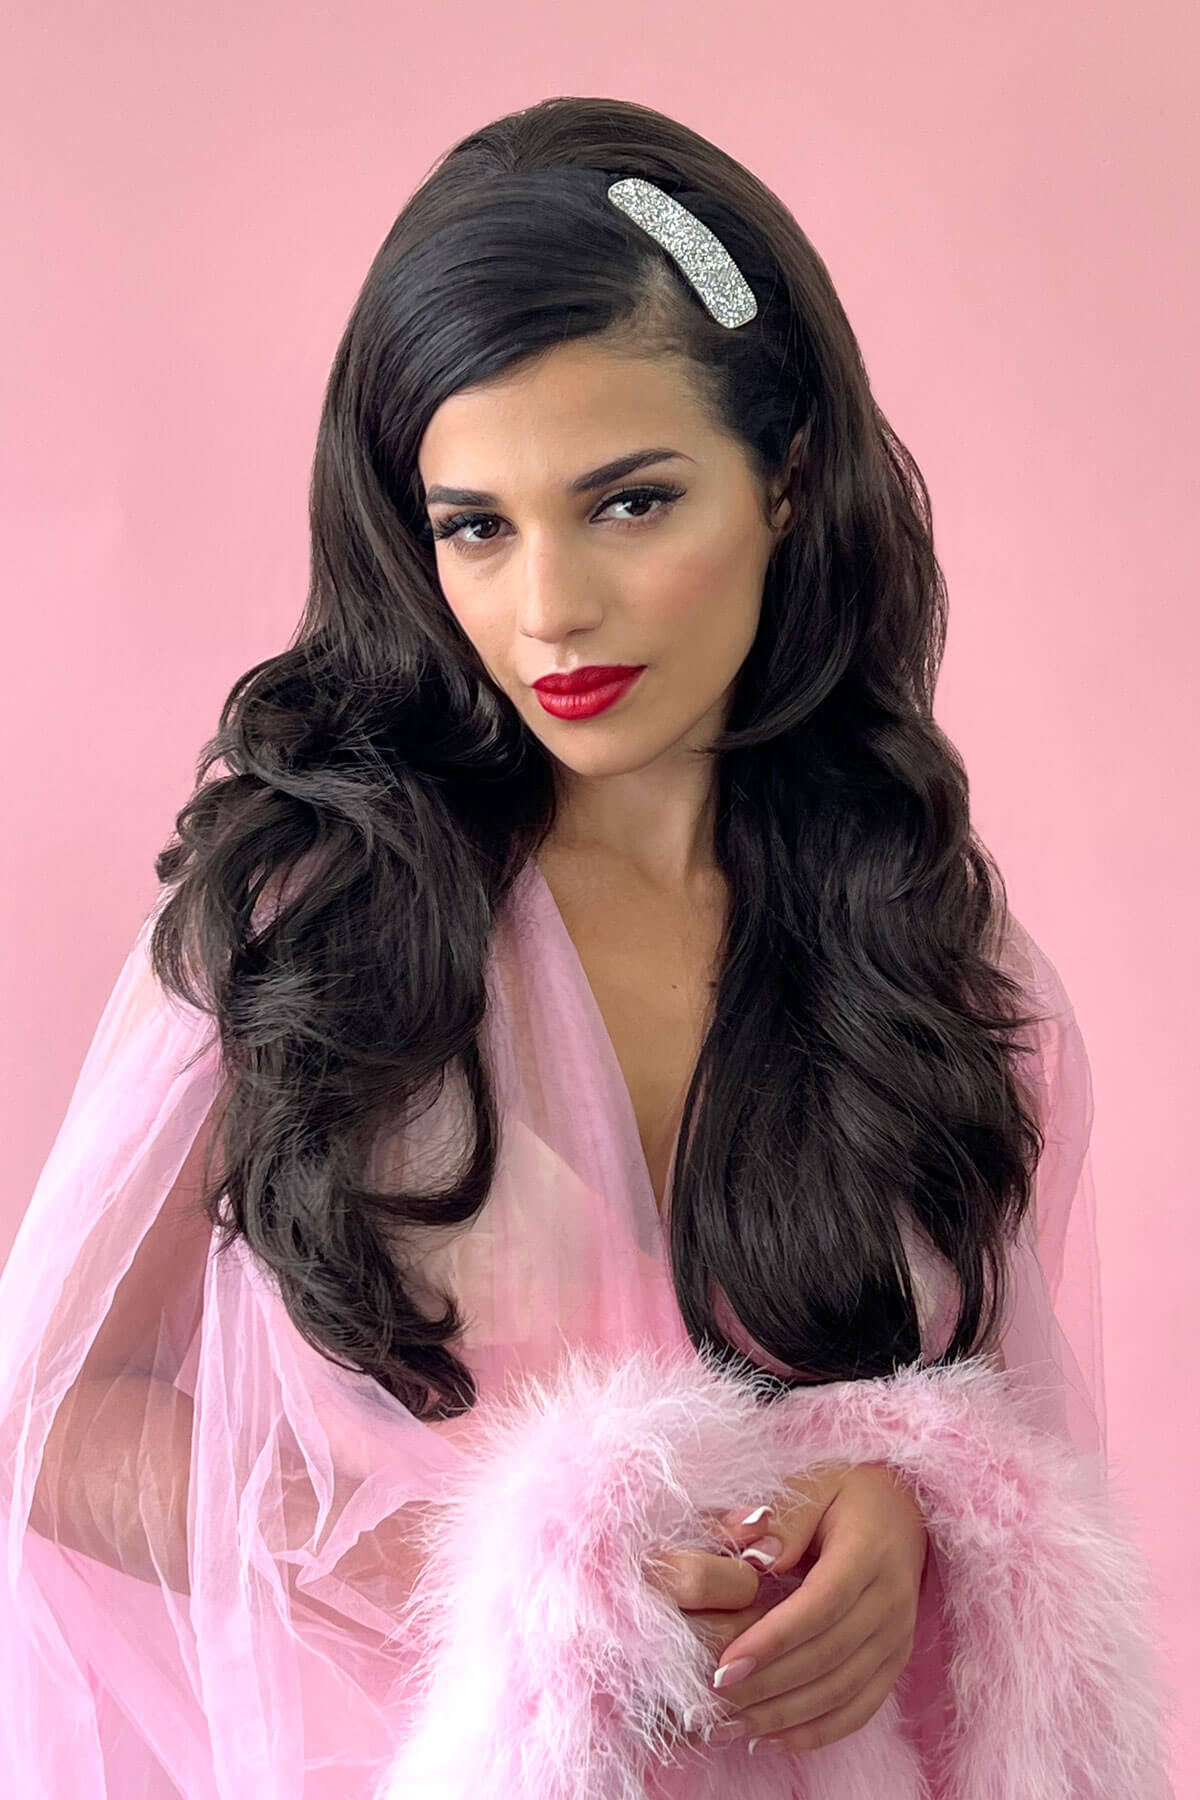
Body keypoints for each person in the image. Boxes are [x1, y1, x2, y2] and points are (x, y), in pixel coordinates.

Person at [0, 96, 1173, 1798]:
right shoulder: (313, 929)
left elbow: (1000, 1414)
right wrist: (499, 1576)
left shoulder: (933, 946)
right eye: (477, 524)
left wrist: (908, 1525)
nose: (548, 609)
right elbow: (46, 1418)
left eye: (629, 504)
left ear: (784, 484)